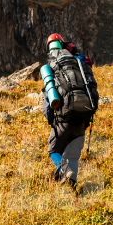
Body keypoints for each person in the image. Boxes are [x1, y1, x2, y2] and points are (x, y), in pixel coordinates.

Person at [41, 33, 99, 188]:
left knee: (53, 151)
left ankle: (65, 171)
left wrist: (52, 121)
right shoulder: (79, 66)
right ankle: (72, 188)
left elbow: (48, 104)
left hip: (64, 118)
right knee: (73, 155)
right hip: (83, 116)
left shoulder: (53, 67)